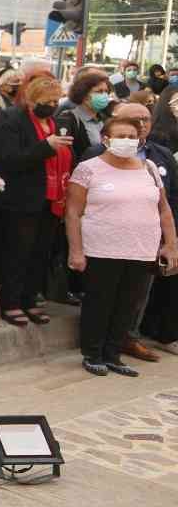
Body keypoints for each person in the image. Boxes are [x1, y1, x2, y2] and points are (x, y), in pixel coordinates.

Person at [66, 116, 178, 376]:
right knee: (100, 303)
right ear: (106, 139)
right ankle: (93, 353)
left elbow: (163, 210)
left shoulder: (148, 167)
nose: (128, 141)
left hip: (141, 249)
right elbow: (73, 213)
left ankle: (113, 354)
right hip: (102, 249)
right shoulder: (88, 169)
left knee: (129, 305)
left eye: (132, 136)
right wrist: (76, 250)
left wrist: (171, 243)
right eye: (121, 136)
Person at [0, 74, 73, 327]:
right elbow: (7, 160)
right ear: (31, 99)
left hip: (51, 200)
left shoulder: (55, 122)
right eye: (46, 100)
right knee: (18, 252)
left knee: (40, 253)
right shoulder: (12, 120)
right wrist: (46, 147)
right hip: (21, 199)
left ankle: (29, 299)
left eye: (56, 100)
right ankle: (10, 301)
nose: (52, 105)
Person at [60, 68, 113, 163]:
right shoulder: (68, 119)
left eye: (106, 91)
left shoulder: (105, 118)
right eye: (99, 91)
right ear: (84, 94)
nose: (104, 95)